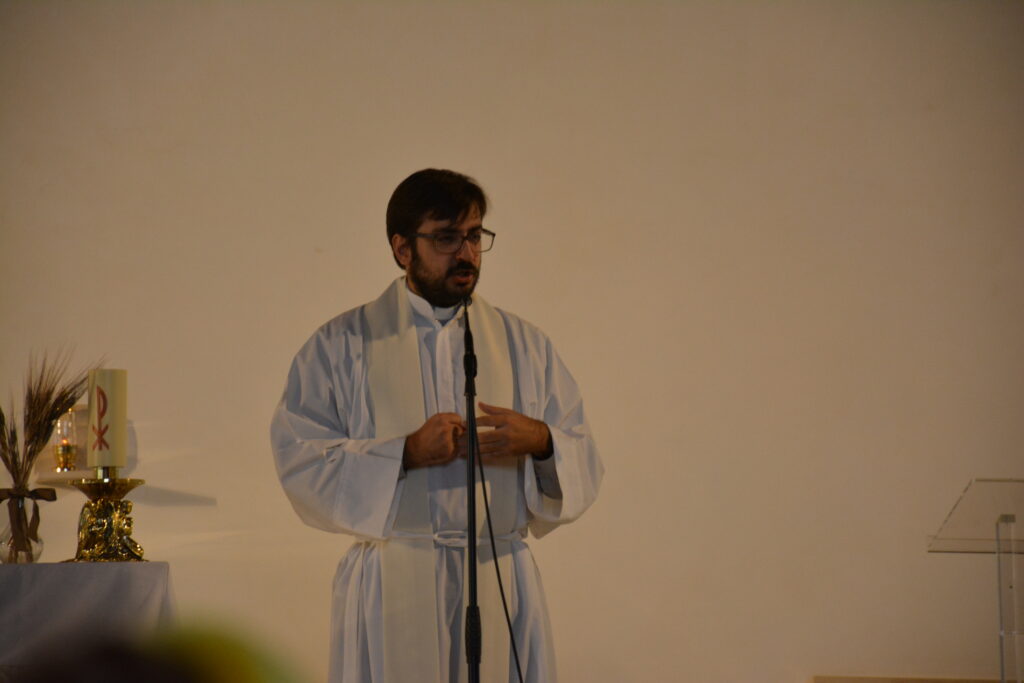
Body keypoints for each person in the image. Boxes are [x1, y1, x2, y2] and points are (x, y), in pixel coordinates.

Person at [270, 169, 603, 683]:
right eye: (447, 237)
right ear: (403, 249)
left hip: (498, 576)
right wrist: (403, 452)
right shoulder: (341, 345)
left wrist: (542, 443)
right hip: (395, 578)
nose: (466, 252)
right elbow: (300, 459)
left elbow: (584, 454)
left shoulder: (524, 344)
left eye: (474, 236)